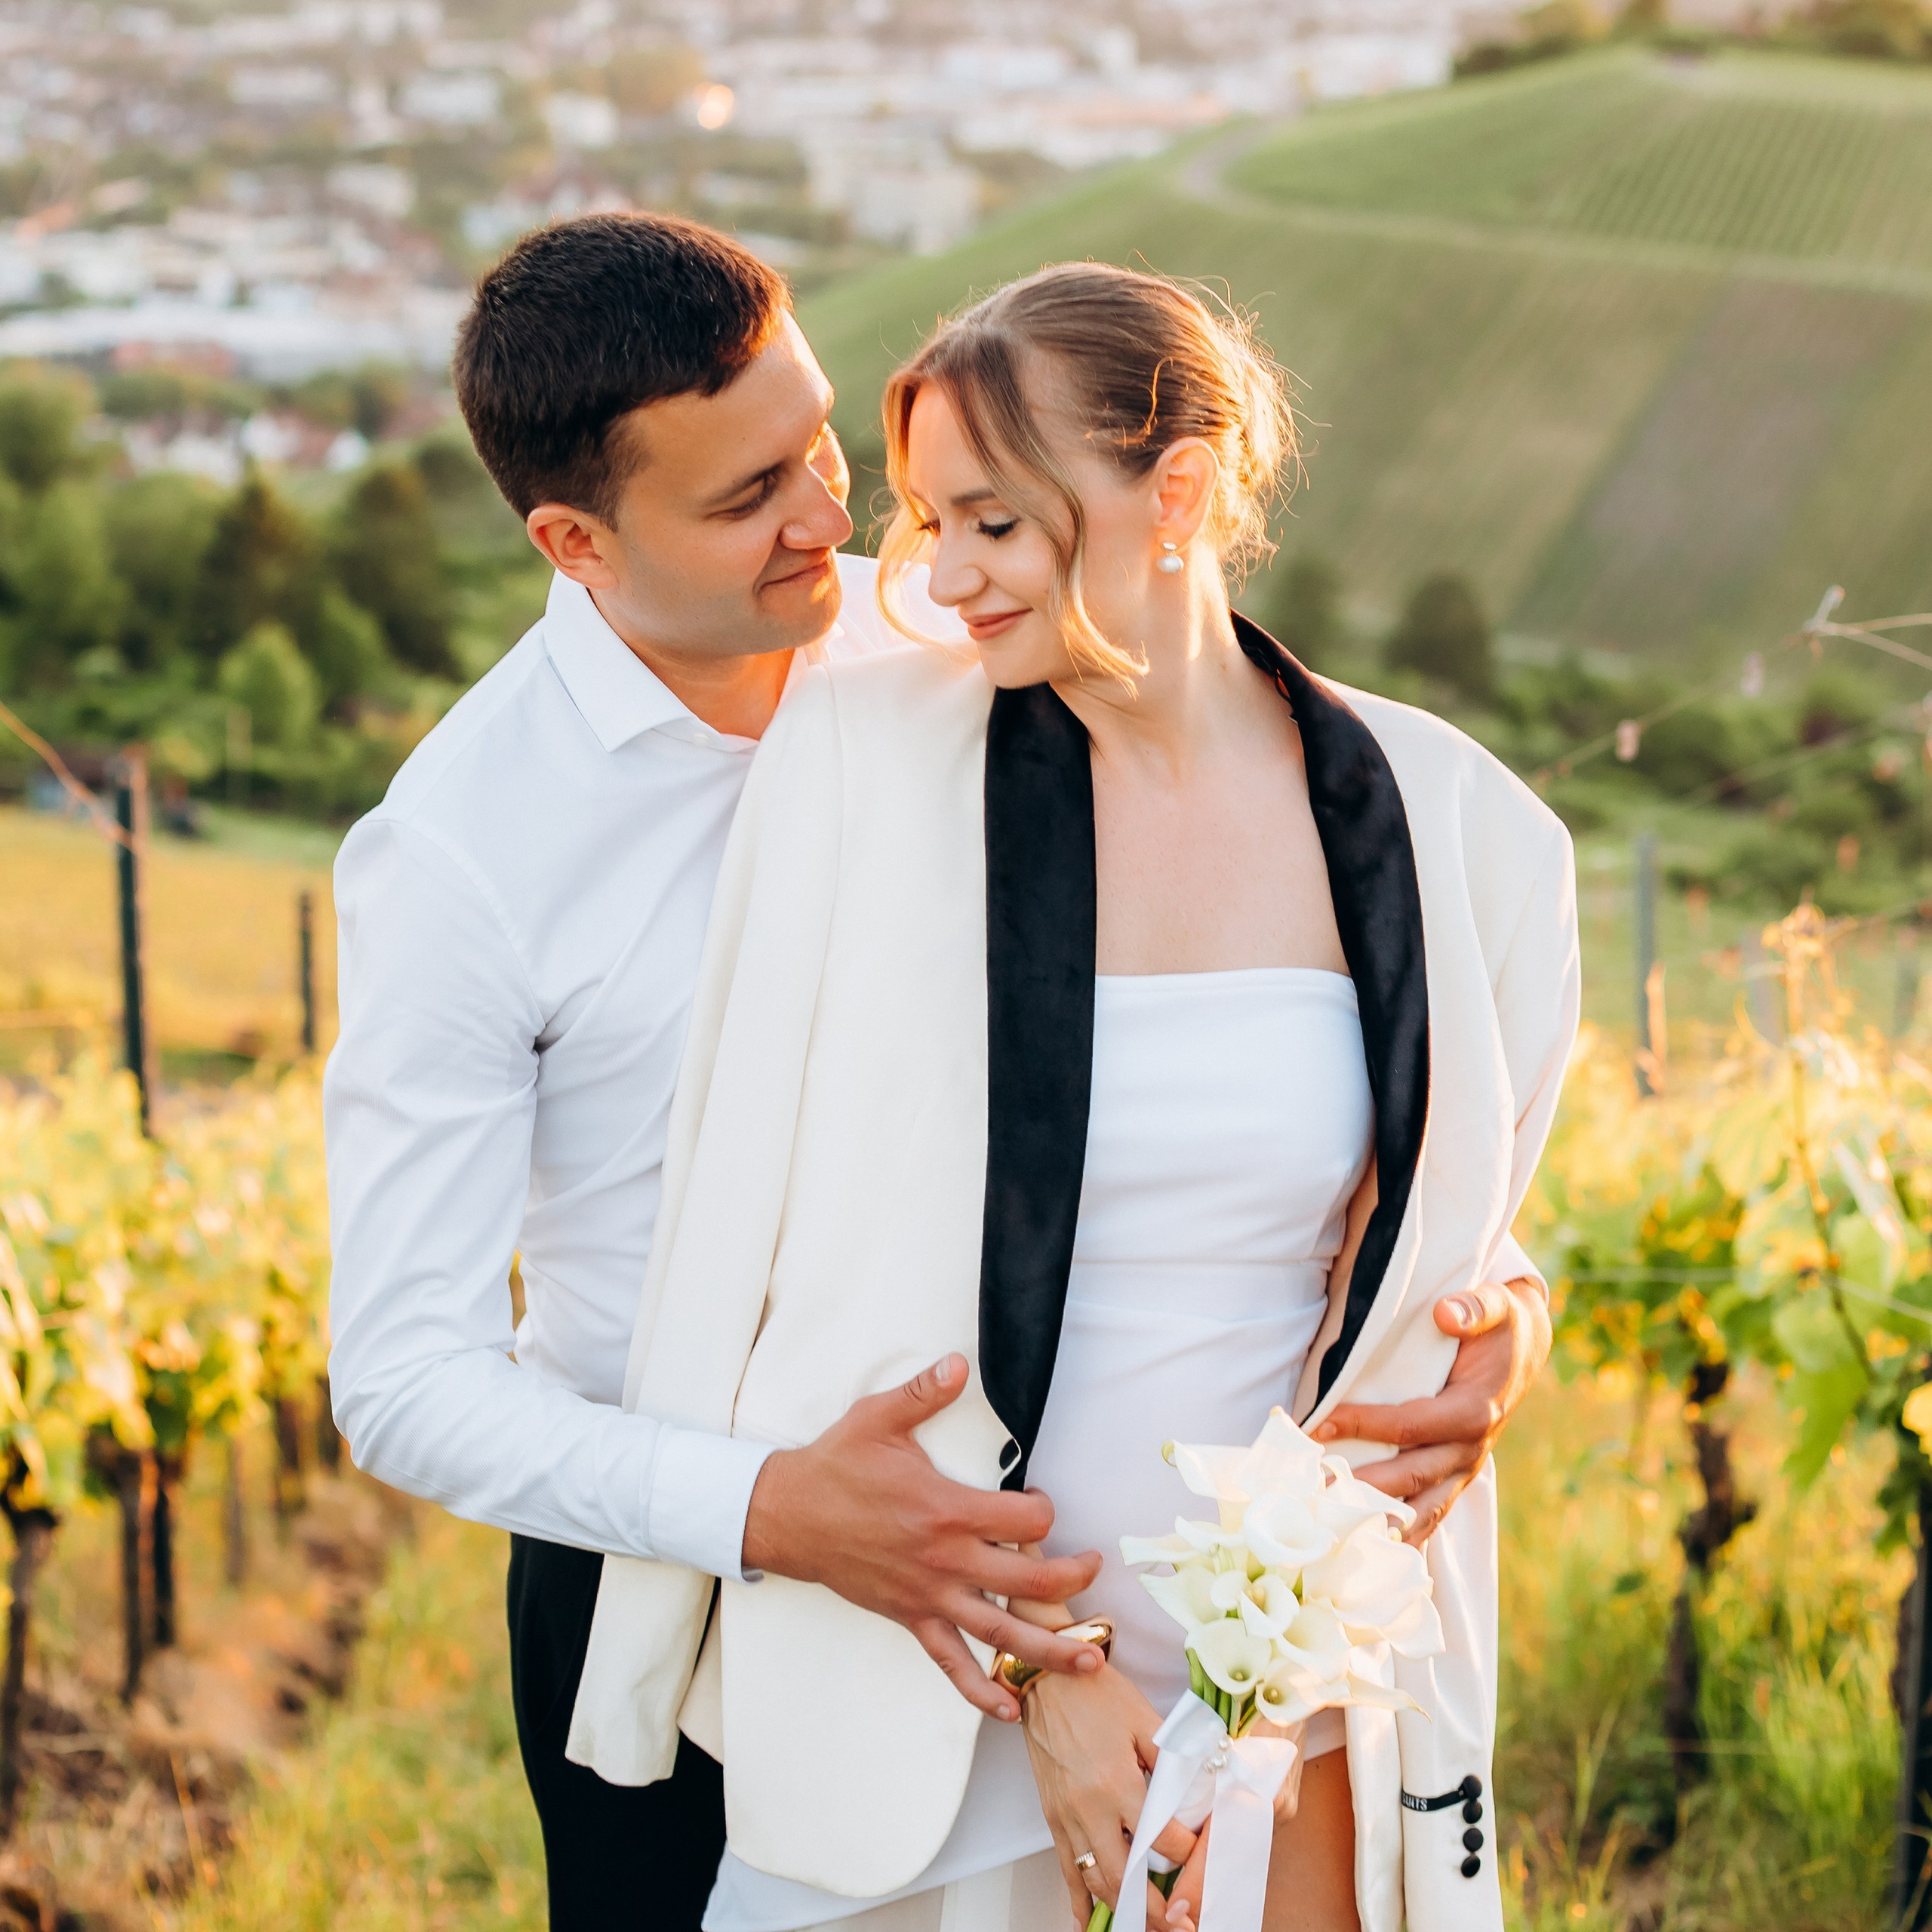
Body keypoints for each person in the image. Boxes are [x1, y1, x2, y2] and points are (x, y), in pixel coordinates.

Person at [323, 216, 1561, 1932]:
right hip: (672, 1551)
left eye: (821, 451)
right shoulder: (466, 852)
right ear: (574, 540)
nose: (836, 527)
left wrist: (1487, 1300)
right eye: (748, 498)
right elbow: (401, 1375)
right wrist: (783, 1508)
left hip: (1066, 1559)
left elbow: (1235, 1113)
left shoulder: (947, 646)